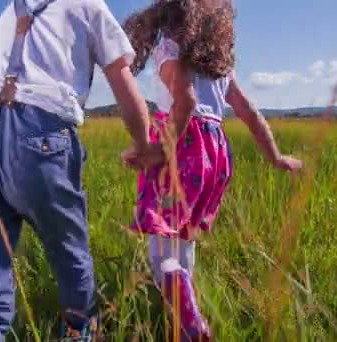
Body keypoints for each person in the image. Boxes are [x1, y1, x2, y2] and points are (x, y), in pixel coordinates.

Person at [0, 0, 162, 340]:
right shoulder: (87, 4)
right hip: (38, 132)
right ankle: (80, 330)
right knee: (69, 251)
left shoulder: (8, 13)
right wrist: (143, 145)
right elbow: (120, 75)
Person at [121, 0, 303, 340]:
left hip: (181, 143)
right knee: (185, 239)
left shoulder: (169, 47)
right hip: (214, 153)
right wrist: (276, 156)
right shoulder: (219, 64)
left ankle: (190, 324)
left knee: (162, 252)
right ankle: (181, 309)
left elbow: (185, 102)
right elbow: (249, 112)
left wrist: (156, 149)